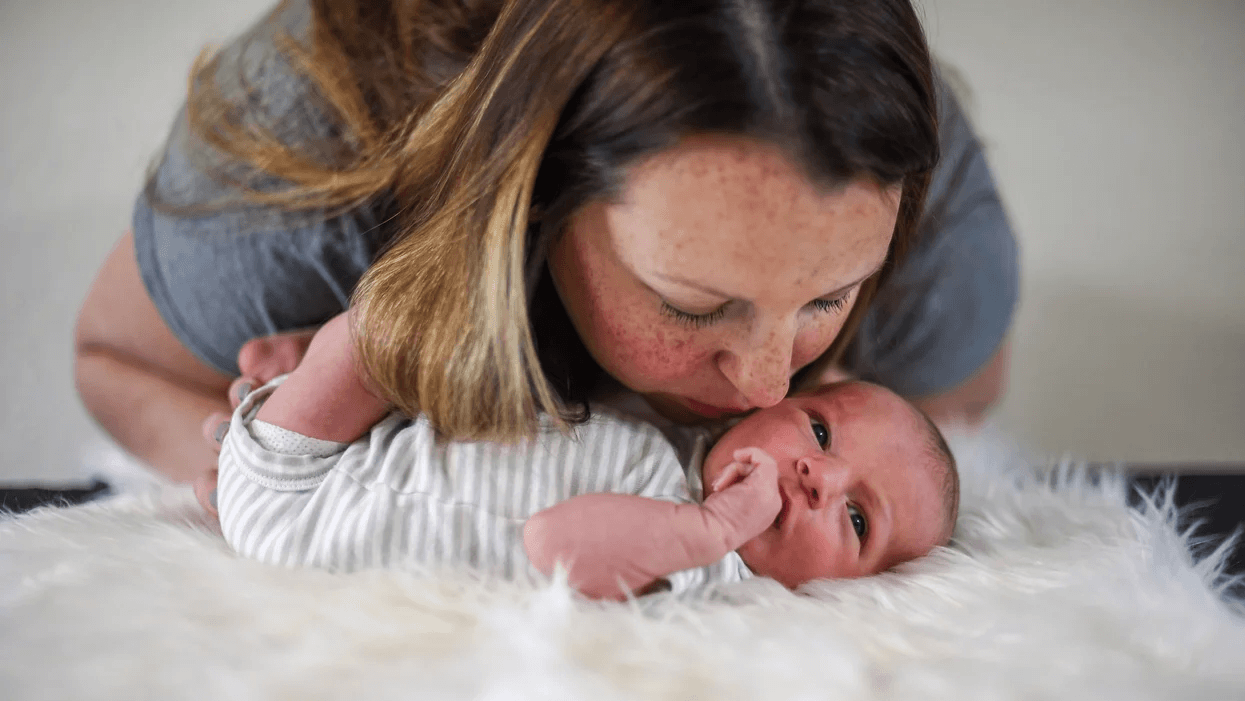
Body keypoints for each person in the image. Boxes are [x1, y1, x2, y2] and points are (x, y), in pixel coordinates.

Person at [73, 0, 1017, 508]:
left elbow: (952, 410)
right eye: (690, 305)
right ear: (534, 191)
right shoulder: (300, 170)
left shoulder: (900, 169)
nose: (772, 383)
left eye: (828, 298)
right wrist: (253, 470)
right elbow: (110, 359)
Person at [217, 330, 958, 599]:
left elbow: (553, 543)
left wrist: (709, 528)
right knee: (406, 354)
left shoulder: (707, 573)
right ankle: (292, 377)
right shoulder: (678, 443)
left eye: (855, 518)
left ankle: (308, 366)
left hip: (304, 507)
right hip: (364, 454)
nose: (818, 476)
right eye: (820, 432)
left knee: (383, 333)